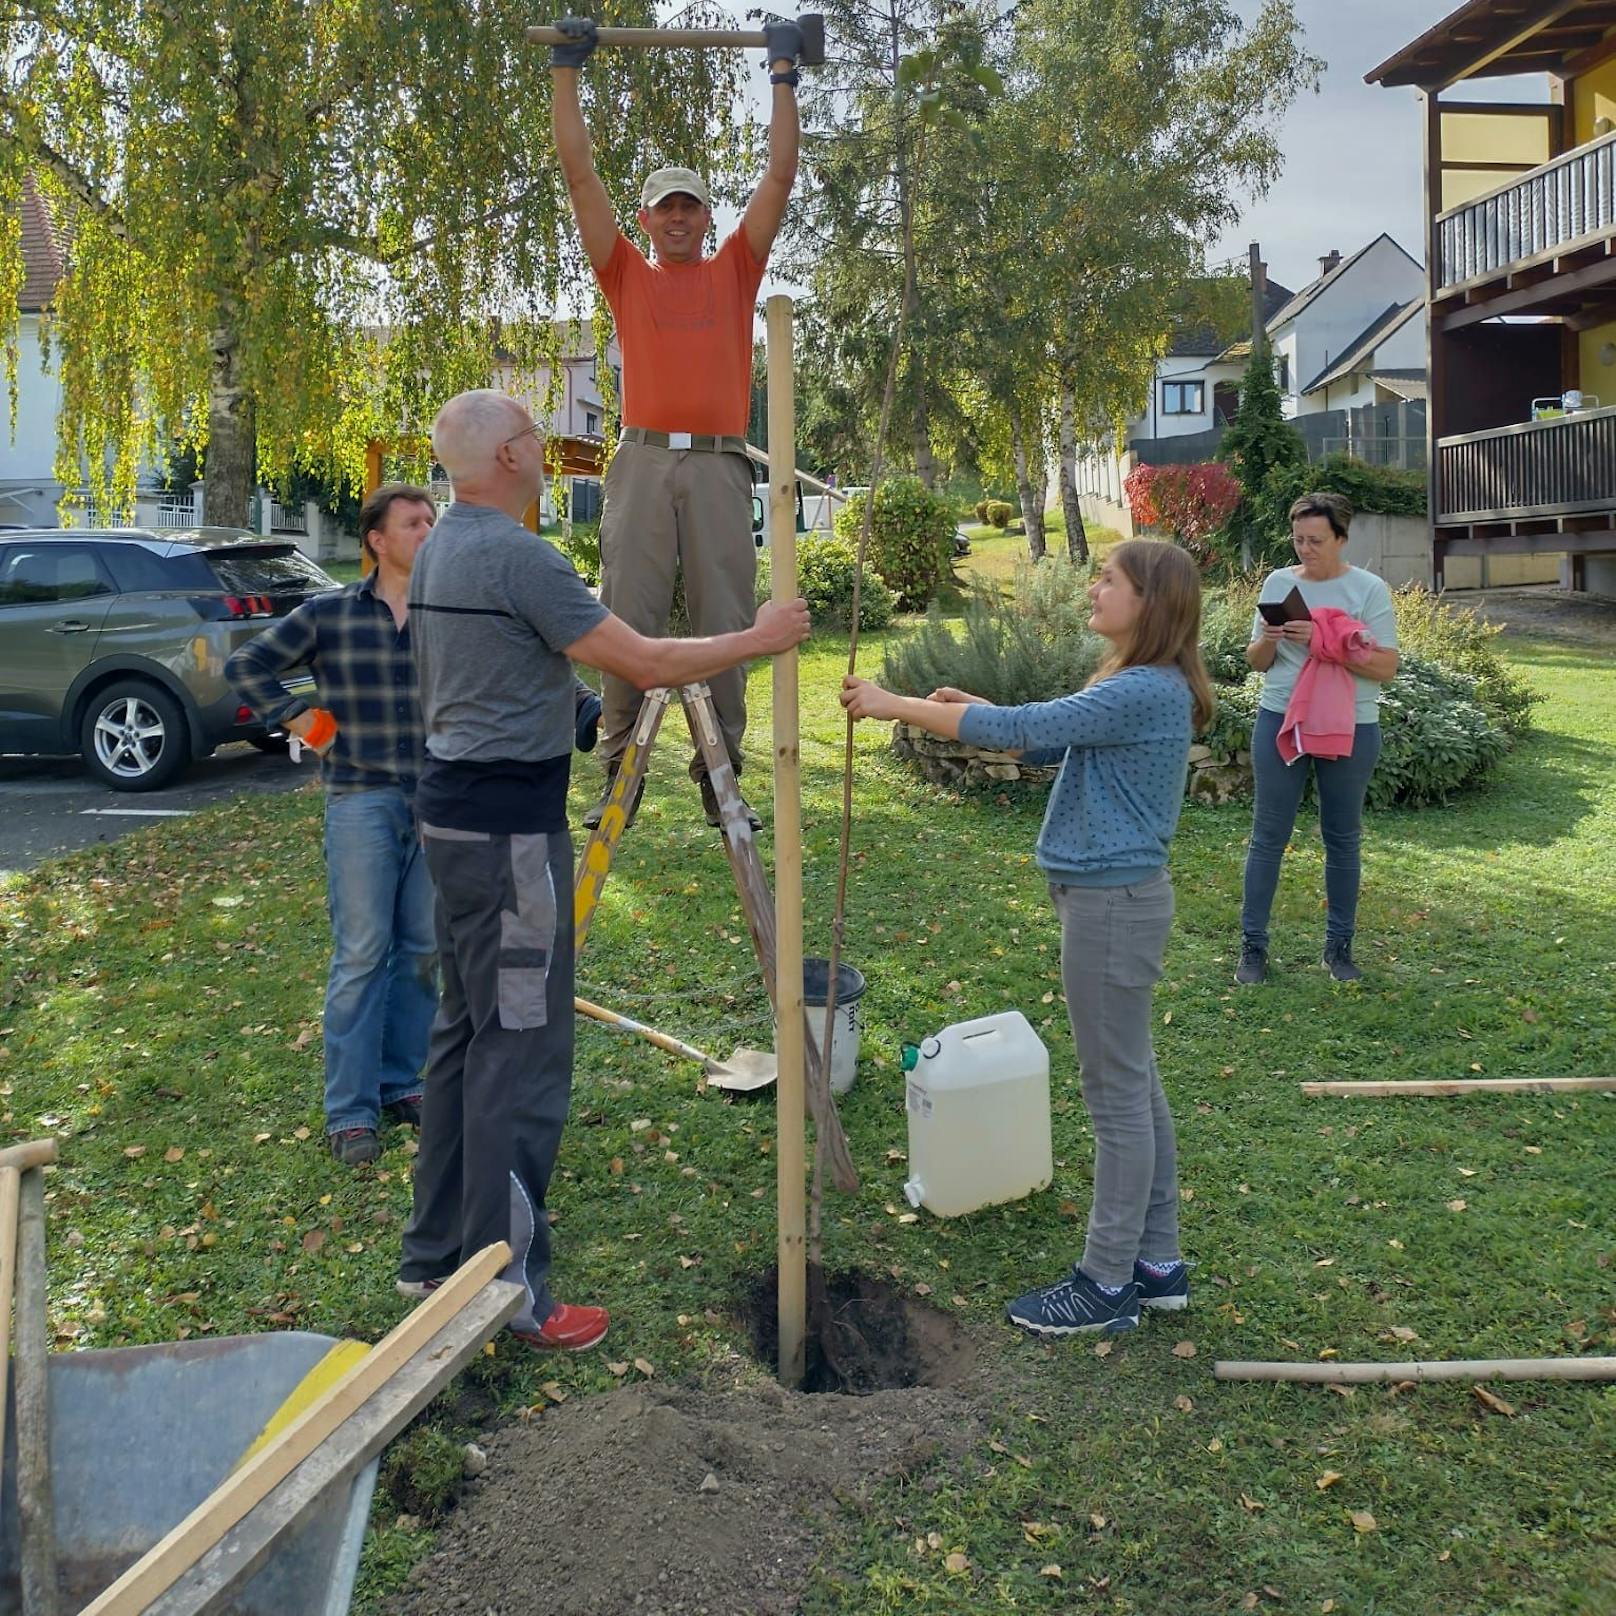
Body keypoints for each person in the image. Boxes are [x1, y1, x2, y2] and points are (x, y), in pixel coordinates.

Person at [398, 389, 810, 1352]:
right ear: (506, 456)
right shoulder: (519, 555)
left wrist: (570, 709)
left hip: (451, 825)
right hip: (508, 845)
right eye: (536, 436)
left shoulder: (444, 549)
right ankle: (510, 1293)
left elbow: (503, 661)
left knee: (464, 1037)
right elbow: (650, 657)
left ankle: (434, 1255)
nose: (550, 448)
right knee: (522, 1055)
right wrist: (760, 636)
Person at [841, 540, 1214, 1338]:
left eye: (1108, 580)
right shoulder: (1132, 682)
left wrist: (893, 702)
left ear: (1150, 601)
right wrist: (963, 702)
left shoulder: (1146, 687)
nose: (1093, 587)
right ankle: (1156, 1264)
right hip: (1112, 901)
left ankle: (1107, 1284)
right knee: (1133, 1081)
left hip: (1112, 908)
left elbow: (1019, 724)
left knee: (1116, 1097)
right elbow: (1037, 740)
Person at [550, 12, 805, 831]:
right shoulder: (626, 272)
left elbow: (778, 178)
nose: (679, 218)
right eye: (666, 208)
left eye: (690, 206)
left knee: (731, 617)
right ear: (650, 216)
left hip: (724, 465)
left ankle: (719, 770)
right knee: (626, 610)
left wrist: (782, 75)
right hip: (644, 460)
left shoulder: (735, 267)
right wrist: (566, 72)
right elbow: (579, 174)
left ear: (705, 215)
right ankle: (619, 767)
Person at [227, 485, 440, 1166]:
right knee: (361, 955)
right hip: (362, 800)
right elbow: (247, 666)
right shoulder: (330, 613)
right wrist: (311, 724)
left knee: (422, 953)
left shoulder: (446, 612)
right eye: (415, 523)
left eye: (433, 520)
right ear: (378, 540)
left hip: (436, 801)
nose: (428, 531)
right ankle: (350, 1114)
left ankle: (401, 1085)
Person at [1236, 492, 1400, 986]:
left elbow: (1386, 666)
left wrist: (1322, 643)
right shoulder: (1279, 582)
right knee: (1268, 836)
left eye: (1316, 540)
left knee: (1342, 839)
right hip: (1281, 719)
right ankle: (1253, 949)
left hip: (1352, 723)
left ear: (1341, 538)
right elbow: (1256, 662)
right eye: (1298, 539)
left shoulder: (1369, 590)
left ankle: (1339, 949)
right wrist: (1268, 637)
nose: (1305, 549)